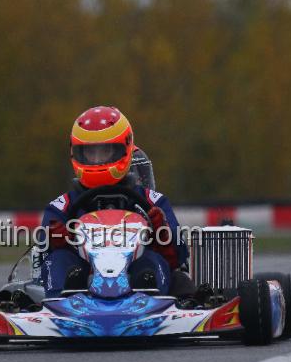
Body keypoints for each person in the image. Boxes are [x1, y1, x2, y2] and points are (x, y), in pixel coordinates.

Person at [41, 106, 189, 297]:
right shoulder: (61, 207)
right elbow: (42, 257)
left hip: (135, 286)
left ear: (124, 149)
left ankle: (149, 298)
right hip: (83, 286)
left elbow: (179, 258)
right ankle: (64, 301)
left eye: (105, 152)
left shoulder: (153, 202)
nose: (96, 160)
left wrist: (161, 230)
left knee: (151, 261)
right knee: (59, 260)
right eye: (89, 153)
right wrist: (58, 241)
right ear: (75, 153)